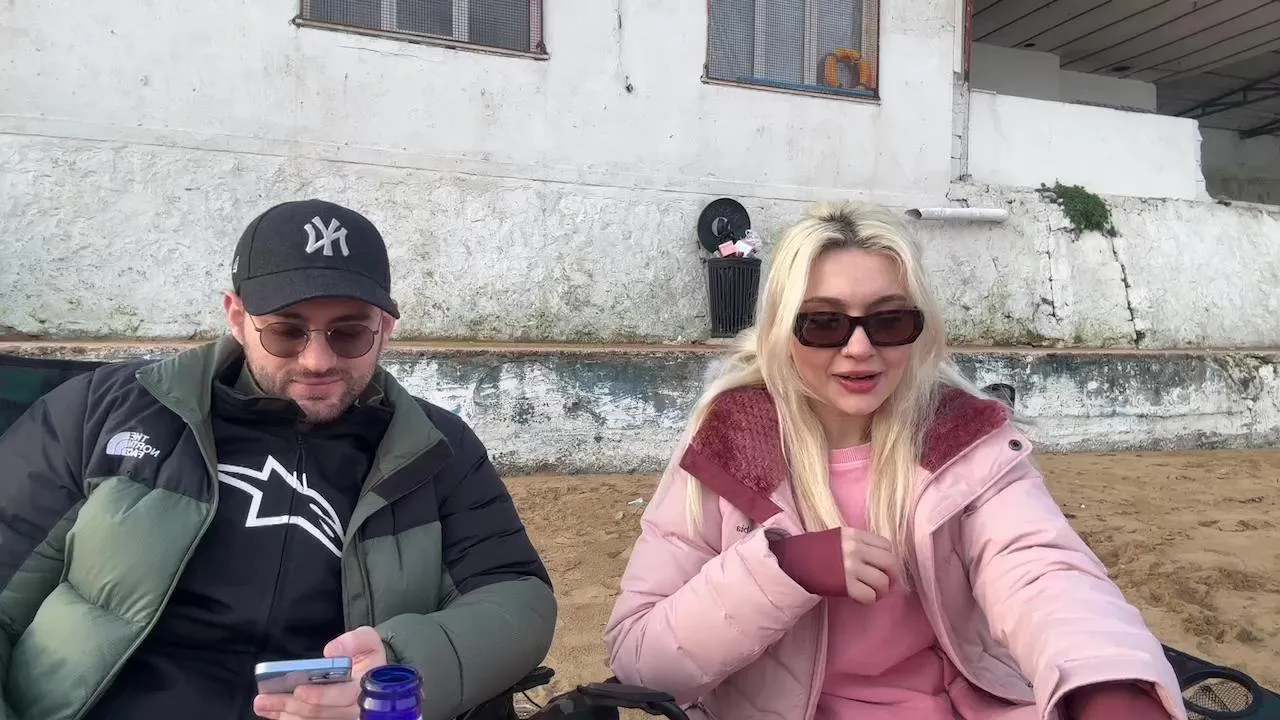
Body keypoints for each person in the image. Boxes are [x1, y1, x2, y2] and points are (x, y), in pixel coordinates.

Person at [603, 201, 1187, 720]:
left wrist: (1107, 684)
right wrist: (780, 570)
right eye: (824, 322)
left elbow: (1039, 571)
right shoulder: (727, 447)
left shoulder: (962, 437)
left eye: (888, 321)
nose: (859, 348)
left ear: (918, 326)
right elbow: (641, 662)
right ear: (782, 329)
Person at [0, 199, 557, 720]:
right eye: (287, 332)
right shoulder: (103, 411)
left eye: (349, 333)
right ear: (237, 317)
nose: (317, 361)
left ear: (385, 329)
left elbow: (514, 595)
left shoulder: (436, 448)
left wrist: (399, 672)